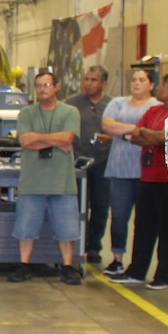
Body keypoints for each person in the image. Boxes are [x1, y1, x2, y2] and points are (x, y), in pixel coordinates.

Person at [7, 69, 84, 285]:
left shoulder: (70, 112)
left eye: (47, 85)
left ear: (56, 87)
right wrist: (58, 142)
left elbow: (69, 136)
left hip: (62, 181)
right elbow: (25, 141)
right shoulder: (27, 113)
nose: (42, 89)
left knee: (67, 228)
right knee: (25, 226)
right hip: (32, 181)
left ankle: (67, 266)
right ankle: (24, 265)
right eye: (39, 86)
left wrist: (38, 138)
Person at [110, 74, 168, 290]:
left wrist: (151, 135)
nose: (159, 89)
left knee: (167, 229)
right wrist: (153, 135)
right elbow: (135, 135)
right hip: (147, 176)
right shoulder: (154, 111)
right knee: (142, 226)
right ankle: (137, 271)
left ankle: (164, 275)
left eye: (163, 85)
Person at [98, 68, 161, 275]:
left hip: (145, 171)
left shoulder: (156, 106)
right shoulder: (117, 103)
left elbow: (155, 132)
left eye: (142, 80)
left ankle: (138, 263)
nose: (136, 83)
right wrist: (138, 130)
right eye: (134, 79)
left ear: (151, 85)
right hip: (119, 170)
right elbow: (107, 126)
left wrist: (124, 130)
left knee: (143, 222)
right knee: (118, 217)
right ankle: (117, 259)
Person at [66, 65, 112, 264]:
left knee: (101, 206)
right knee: (77, 206)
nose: (89, 84)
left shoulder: (112, 105)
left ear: (104, 83)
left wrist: (109, 138)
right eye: (87, 79)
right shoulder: (73, 103)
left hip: (103, 163)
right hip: (78, 163)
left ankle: (94, 246)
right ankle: (77, 243)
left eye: (94, 80)